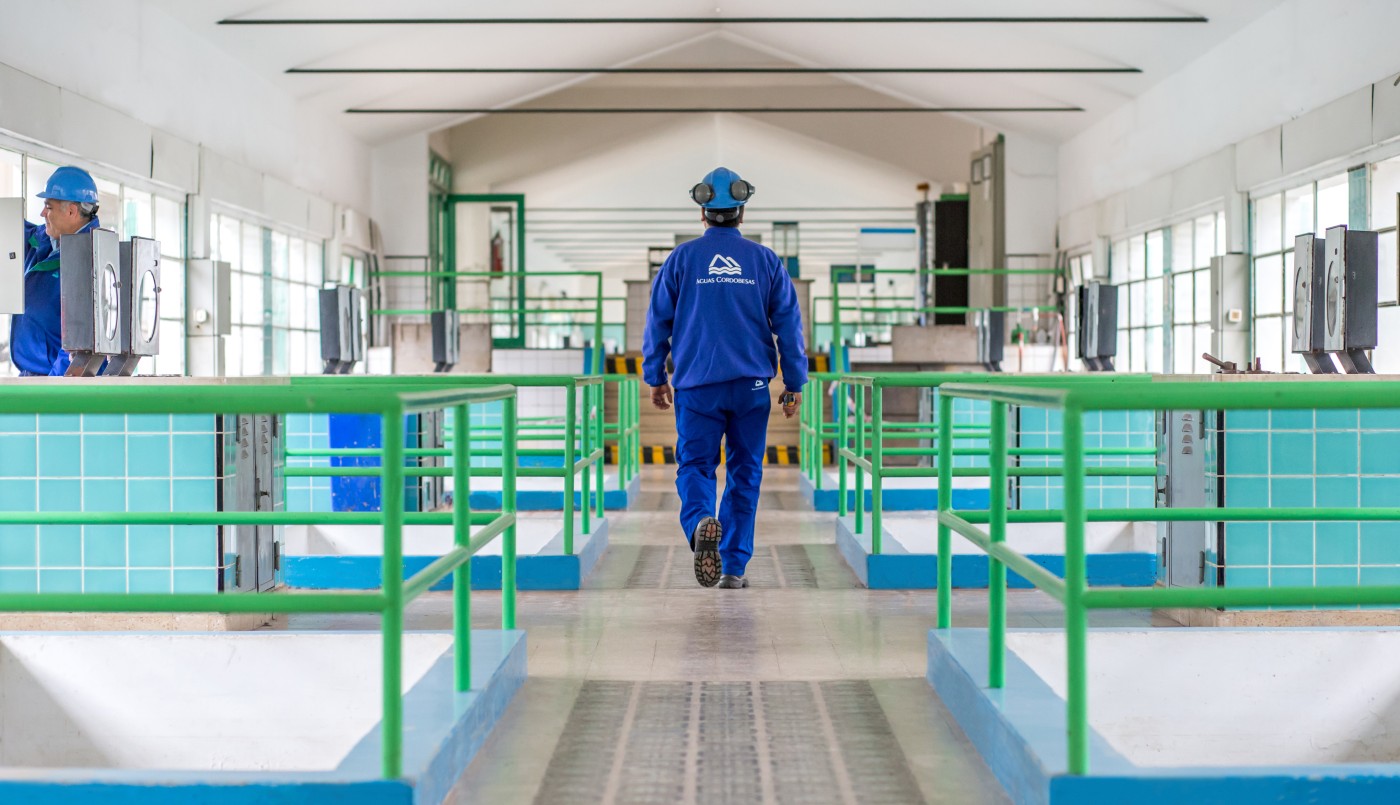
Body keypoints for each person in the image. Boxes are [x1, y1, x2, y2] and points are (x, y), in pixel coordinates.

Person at [642, 167, 807, 589]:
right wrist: (794, 383)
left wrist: (655, 375)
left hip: (697, 385)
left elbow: (657, 321)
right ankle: (733, 567)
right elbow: (788, 324)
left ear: (702, 213)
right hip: (752, 386)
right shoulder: (766, 260)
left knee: (696, 465)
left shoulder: (680, 259)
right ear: (741, 212)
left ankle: (700, 522)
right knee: (745, 471)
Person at [10, 166, 102, 376]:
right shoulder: (42, 240)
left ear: (71, 211)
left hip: (61, 379)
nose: (42, 213)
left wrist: (55, 384)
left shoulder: (91, 258)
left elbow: (81, 342)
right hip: (32, 376)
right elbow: (9, 227)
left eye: (48, 207)